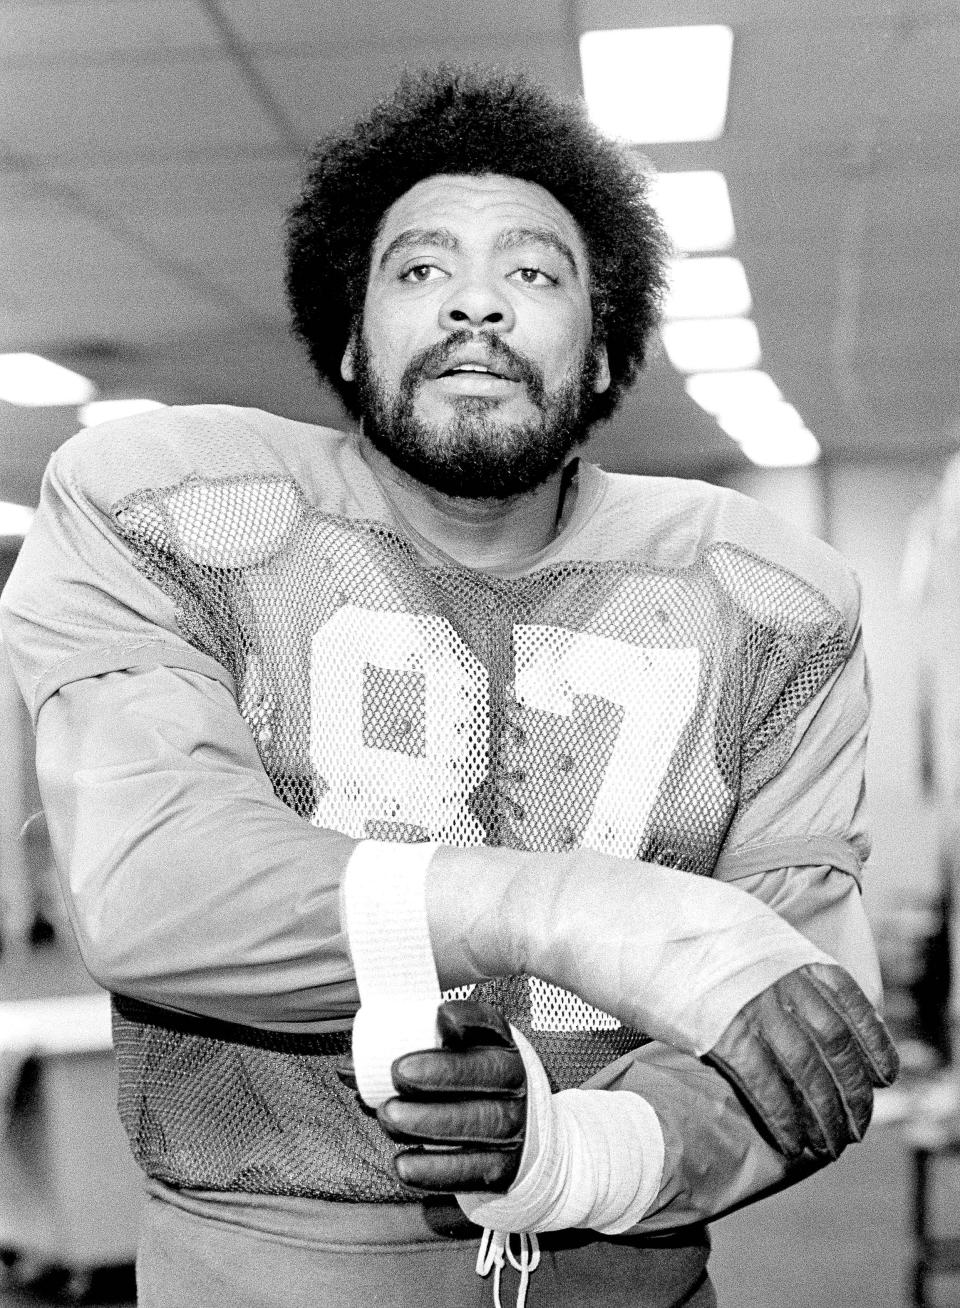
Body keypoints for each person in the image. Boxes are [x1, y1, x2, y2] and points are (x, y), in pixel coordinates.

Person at [0, 66, 897, 1308]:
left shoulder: (769, 598)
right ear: (352, 345)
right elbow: (155, 880)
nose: (476, 301)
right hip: (264, 1269)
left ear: (601, 353)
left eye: (535, 273)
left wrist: (581, 1155)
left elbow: (806, 1034)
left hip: (629, 1275)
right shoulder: (174, 514)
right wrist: (569, 910)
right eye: (419, 270)